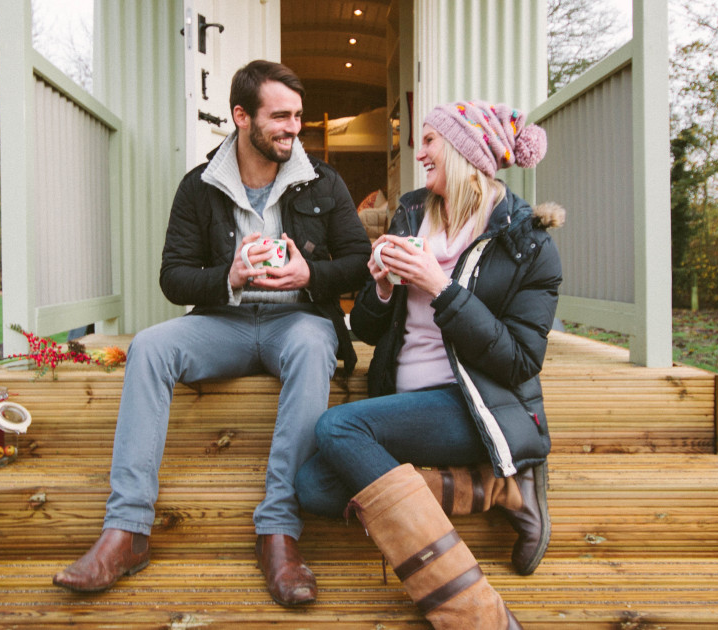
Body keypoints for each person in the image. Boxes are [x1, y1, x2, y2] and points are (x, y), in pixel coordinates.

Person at [52, 60, 372, 607]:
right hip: (222, 322)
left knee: (316, 344)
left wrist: (309, 275)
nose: (293, 128)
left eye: (297, 116)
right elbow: (173, 277)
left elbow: (359, 260)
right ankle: (125, 532)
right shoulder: (199, 186)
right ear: (241, 116)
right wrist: (228, 277)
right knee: (150, 346)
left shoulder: (324, 181)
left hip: (294, 322)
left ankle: (278, 534)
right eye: (280, 116)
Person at [295, 101, 564, 628]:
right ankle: (500, 489)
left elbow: (519, 360)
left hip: (475, 406)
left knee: (336, 426)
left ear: (466, 152)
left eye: (431, 141)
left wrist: (439, 286)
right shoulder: (413, 213)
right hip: (404, 403)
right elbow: (370, 331)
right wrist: (380, 286)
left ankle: (475, 614)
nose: (419, 153)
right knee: (313, 486)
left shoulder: (527, 243)